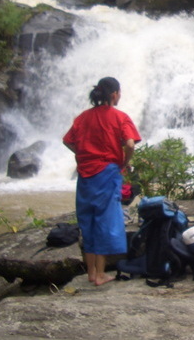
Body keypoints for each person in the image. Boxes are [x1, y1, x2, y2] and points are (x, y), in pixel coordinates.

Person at [63, 77, 141, 286]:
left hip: (86, 174)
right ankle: (100, 274)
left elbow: (67, 140)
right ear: (114, 94)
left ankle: (90, 273)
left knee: (87, 221)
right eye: (119, 92)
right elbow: (131, 144)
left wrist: (83, 153)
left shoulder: (82, 118)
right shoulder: (120, 117)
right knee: (104, 222)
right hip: (107, 173)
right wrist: (124, 161)